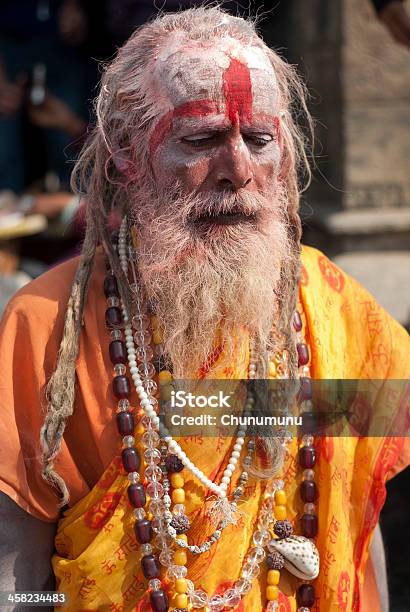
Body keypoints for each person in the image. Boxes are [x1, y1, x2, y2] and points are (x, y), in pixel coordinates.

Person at [0, 7, 409, 612]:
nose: (238, 171)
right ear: (126, 156)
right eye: (201, 139)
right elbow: (18, 572)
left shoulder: (339, 314)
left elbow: (354, 523)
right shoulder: (46, 325)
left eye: (258, 140)